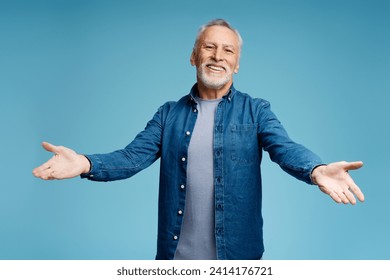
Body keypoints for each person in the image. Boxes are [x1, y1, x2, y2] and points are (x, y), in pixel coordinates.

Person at [33, 19, 364, 260]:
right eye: (209, 47)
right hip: (175, 261)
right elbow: (131, 158)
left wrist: (316, 169)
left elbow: (285, 148)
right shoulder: (168, 115)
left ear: (236, 64)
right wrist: (84, 163)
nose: (218, 56)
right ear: (194, 56)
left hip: (238, 262)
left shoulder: (256, 111)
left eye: (227, 50)